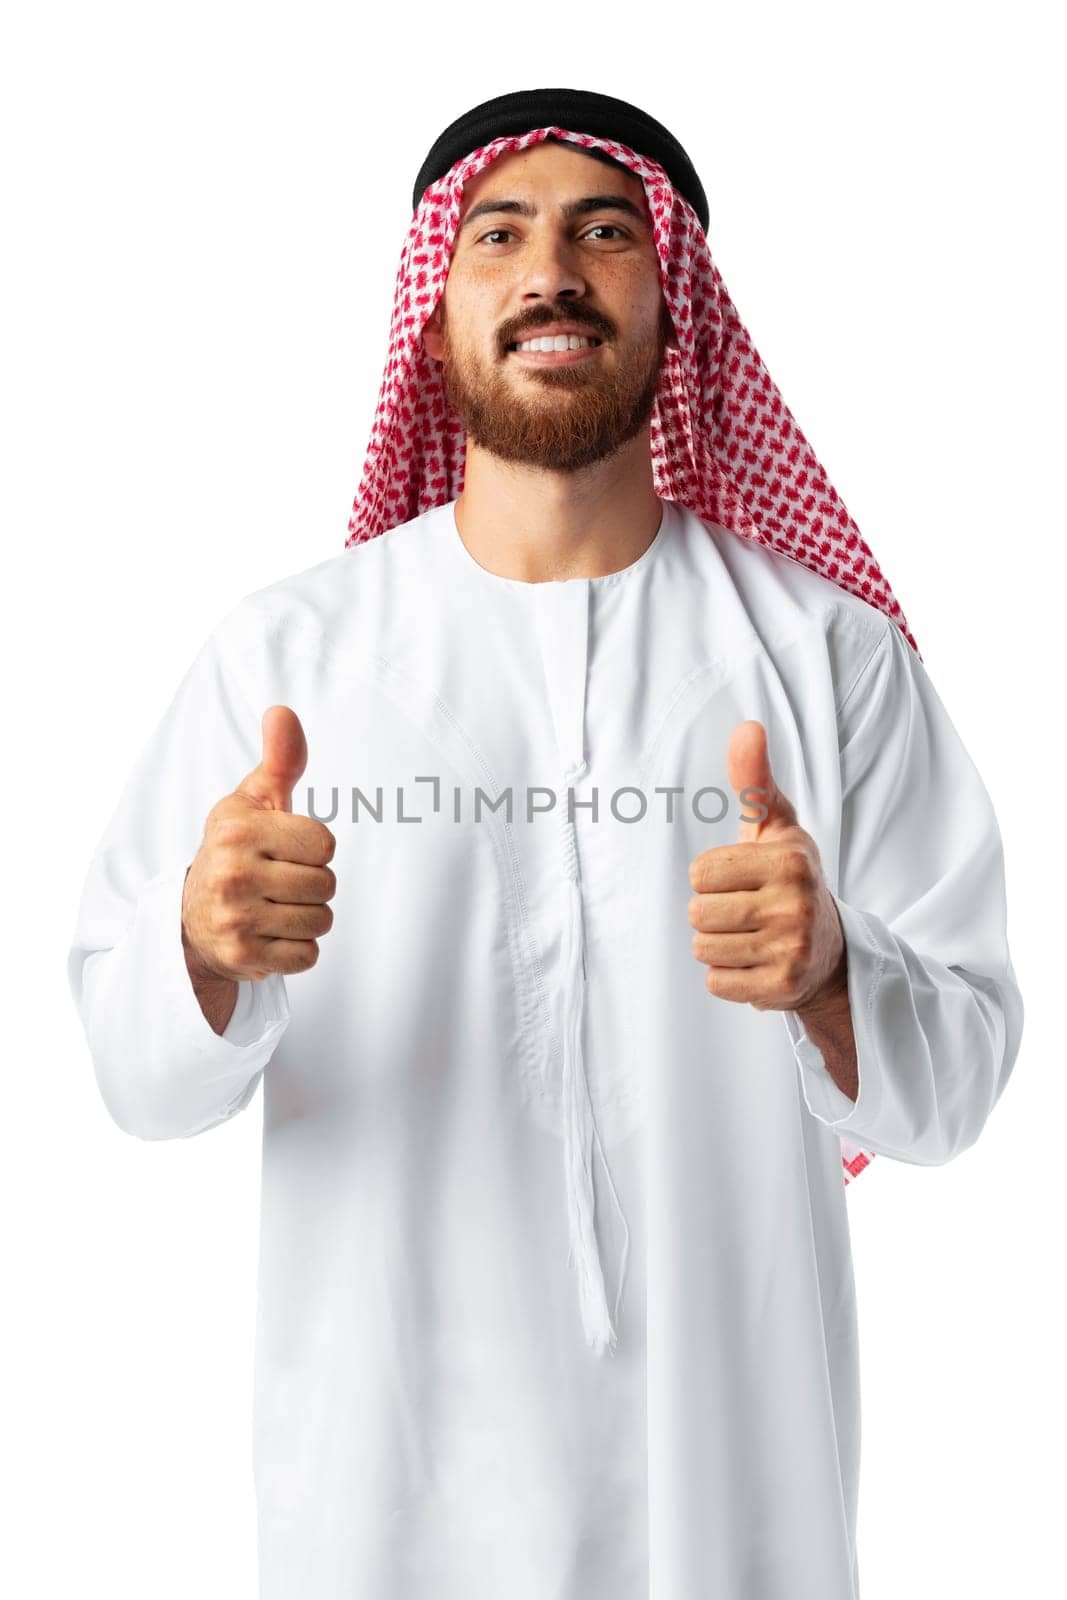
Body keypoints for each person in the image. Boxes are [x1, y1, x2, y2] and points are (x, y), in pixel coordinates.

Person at [66, 87, 1024, 1600]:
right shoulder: (288, 660)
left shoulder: (829, 660)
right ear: (436, 302)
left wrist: (837, 972)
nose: (550, 275)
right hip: (380, 1508)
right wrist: (197, 946)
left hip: (734, 1504)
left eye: (603, 232)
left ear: (677, 299)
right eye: (499, 235)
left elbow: (960, 1080)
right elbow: (131, 1076)